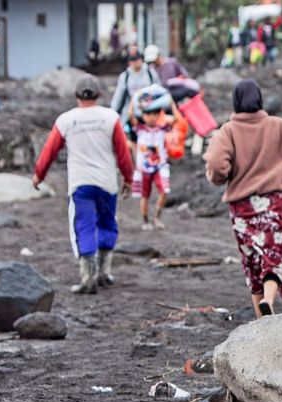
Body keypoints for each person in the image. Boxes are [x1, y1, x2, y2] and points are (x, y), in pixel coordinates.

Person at [204, 80, 282, 317]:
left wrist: (222, 177)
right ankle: (268, 299)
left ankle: (260, 315)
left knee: (251, 259)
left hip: (241, 207)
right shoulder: (279, 126)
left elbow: (215, 164)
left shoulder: (228, 131)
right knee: (274, 253)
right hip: (273, 202)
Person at [32, 76, 133, 294]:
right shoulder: (110, 118)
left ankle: (88, 277)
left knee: (83, 226)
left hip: (81, 184)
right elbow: (123, 152)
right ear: (98, 95)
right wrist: (128, 177)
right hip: (107, 182)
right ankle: (104, 272)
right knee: (107, 223)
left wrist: (39, 174)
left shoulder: (66, 120)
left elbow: (49, 150)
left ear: (76, 96)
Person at [129, 92, 181, 230]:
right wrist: (134, 100)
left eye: (154, 114)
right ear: (143, 115)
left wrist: (171, 102)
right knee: (144, 195)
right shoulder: (139, 129)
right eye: (148, 114)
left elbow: (177, 118)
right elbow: (131, 116)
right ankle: (145, 220)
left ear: (158, 115)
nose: (151, 117)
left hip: (160, 165)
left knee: (164, 190)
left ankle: (157, 217)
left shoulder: (162, 129)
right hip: (143, 168)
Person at [110, 50, 161, 127]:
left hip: (149, 110)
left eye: (136, 59)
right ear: (129, 62)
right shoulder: (125, 76)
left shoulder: (150, 73)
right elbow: (118, 96)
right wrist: (113, 112)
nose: (135, 62)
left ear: (141, 59)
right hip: (131, 110)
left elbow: (158, 90)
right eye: (132, 60)